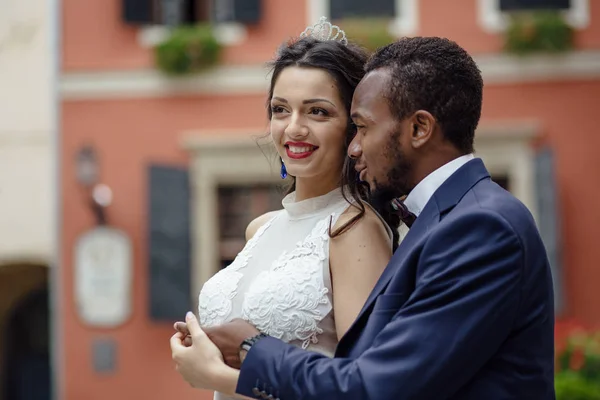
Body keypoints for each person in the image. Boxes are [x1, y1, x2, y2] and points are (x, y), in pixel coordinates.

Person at [170, 36, 556, 399]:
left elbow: (373, 383)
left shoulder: (480, 227)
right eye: (279, 109)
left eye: (362, 127)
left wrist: (247, 354)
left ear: (419, 128)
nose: (356, 146)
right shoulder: (445, 220)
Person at [173, 17, 402, 400]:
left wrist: (219, 377)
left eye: (317, 112)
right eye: (281, 110)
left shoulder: (353, 230)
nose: (293, 128)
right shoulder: (259, 228)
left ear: (352, 128)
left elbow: (361, 387)